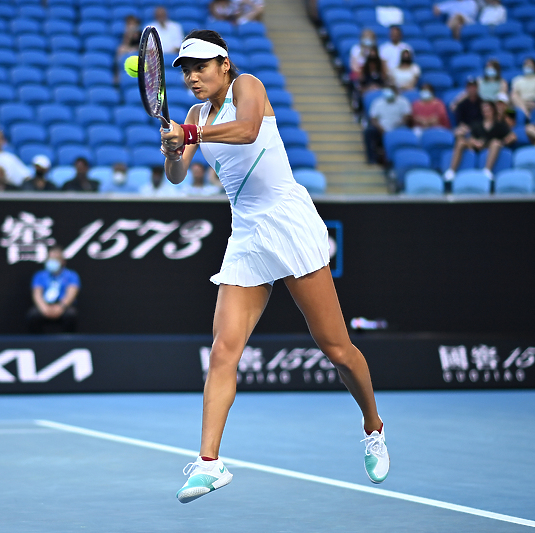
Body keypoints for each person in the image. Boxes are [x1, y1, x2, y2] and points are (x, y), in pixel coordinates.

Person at [160, 31, 389, 503]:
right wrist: (172, 151)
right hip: (245, 234)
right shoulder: (193, 116)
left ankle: (373, 426)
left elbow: (245, 131)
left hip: (289, 221)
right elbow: (179, 173)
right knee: (223, 349)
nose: (191, 76)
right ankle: (209, 463)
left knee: (336, 348)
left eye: (201, 65)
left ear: (224, 64)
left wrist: (191, 135)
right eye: (185, 69)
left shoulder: (249, 86)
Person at [443, 100, 516, 181]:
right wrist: (475, 142)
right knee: (460, 141)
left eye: (488, 110)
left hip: (490, 146)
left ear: (493, 110)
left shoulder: (500, 125)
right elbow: (471, 137)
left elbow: (513, 136)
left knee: (495, 143)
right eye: (484, 110)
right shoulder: (477, 124)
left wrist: (502, 142)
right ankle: (451, 171)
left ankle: (487, 170)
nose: (486, 112)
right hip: (476, 146)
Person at [27, 246, 80, 334]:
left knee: (71, 314)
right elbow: (37, 294)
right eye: (50, 258)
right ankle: (37, 342)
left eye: (55, 259)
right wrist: (44, 308)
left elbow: (71, 293)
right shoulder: (40, 275)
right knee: (33, 315)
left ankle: (67, 342)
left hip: (63, 306)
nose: (52, 261)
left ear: (63, 261)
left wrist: (61, 307)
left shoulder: (71, 275)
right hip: (45, 306)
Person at [365, 86, 411, 164]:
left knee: (405, 132)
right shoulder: (378, 102)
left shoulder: (403, 102)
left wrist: (399, 125)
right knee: (368, 132)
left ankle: (395, 159)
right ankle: (372, 158)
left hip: (397, 128)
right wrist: (381, 129)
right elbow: (373, 119)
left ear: (396, 93)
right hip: (381, 128)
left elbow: (406, 116)